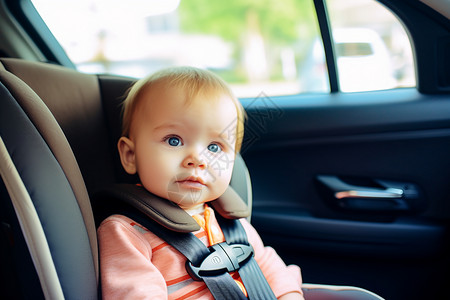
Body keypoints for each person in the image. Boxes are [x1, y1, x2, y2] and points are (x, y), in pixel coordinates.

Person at [97, 66, 305, 299]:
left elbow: (269, 268)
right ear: (130, 155)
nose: (197, 159)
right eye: (174, 140)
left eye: (214, 147)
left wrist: (289, 295)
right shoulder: (127, 232)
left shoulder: (232, 224)